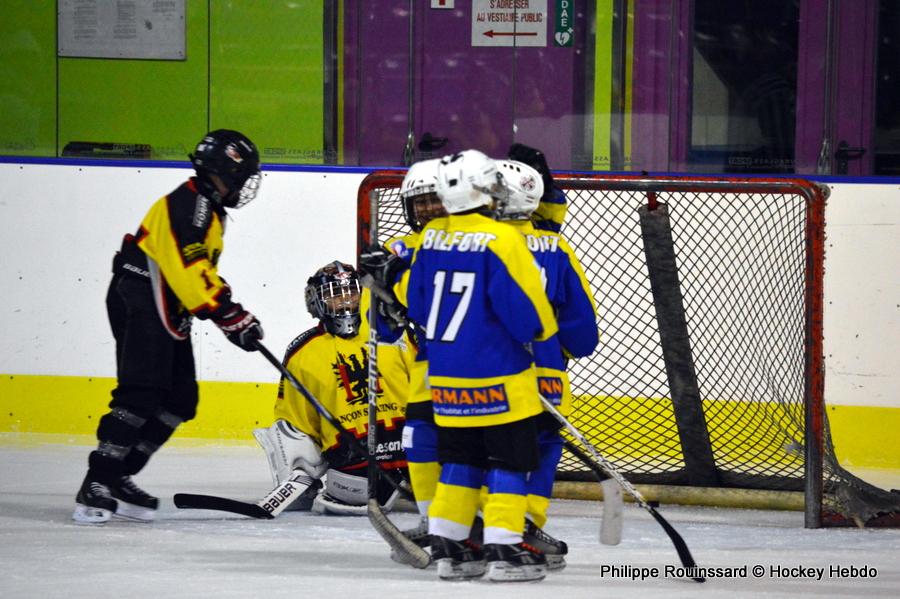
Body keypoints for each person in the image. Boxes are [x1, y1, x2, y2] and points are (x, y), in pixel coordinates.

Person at [73, 129, 265, 524]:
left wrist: (230, 309)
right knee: (140, 393)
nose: (245, 184)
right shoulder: (190, 205)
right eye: (242, 175)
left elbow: (197, 270)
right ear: (224, 171)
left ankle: (119, 474)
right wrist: (228, 314)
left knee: (179, 399)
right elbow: (189, 270)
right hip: (140, 296)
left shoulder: (207, 208)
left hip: (164, 303)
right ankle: (97, 481)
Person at [400, 149, 558, 582]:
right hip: (501, 380)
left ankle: (452, 549)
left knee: (460, 463)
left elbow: (416, 305)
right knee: (509, 463)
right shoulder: (502, 238)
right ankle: (505, 549)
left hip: (445, 382)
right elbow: (528, 317)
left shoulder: (431, 236)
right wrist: (543, 333)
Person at [494, 159, 600, 570]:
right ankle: (526, 527)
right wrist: (557, 349)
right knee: (541, 448)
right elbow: (583, 335)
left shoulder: (474, 242)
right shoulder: (556, 249)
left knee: (484, 448)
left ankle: (473, 525)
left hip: (483, 370)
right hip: (546, 372)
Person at [252, 261, 410, 515]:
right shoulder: (303, 353)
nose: (346, 301)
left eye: (352, 292)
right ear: (316, 302)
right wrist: (302, 471)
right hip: (353, 469)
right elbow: (295, 421)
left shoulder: (393, 334)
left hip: (413, 456)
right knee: (283, 431)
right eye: (335, 295)